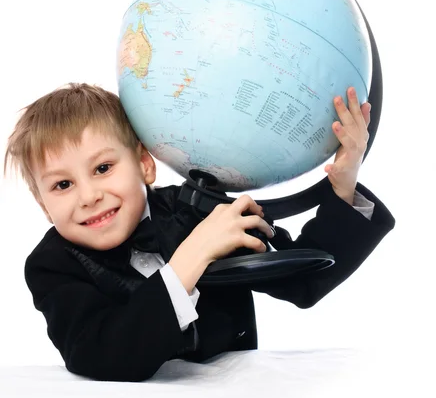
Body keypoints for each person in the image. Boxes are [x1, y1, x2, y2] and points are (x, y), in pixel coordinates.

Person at [4, 82, 395, 382]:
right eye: (62, 185)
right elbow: (101, 355)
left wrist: (343, 186)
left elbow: (304, 282)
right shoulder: (49, 266)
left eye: (103, 168)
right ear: (43, 206)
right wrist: (189, 261)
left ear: (145, 165)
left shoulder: (196, 209)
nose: (88, 196)